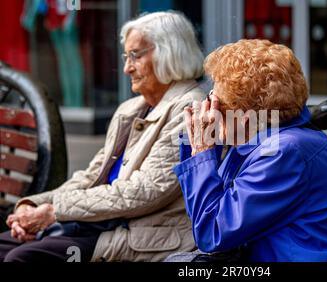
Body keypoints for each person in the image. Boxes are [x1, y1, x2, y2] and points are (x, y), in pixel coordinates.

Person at [0, 11, 205, 262]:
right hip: (96, 223)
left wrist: (55, 211)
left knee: (23, 257)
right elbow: (90, 177)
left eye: (135, 56)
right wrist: (32, 206)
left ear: (169, 52)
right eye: (125, 57)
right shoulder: (130, 109)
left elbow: (144, 191)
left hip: (141, 236)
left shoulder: (189, 109)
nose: (127, 68)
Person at [174, 39, 327, 262]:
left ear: (246, 112)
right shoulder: (261, 141)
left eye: (216, 101)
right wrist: (201, 149)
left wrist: (202, 151)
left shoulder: (284, 152)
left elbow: (212, 232)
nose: (209, 108)